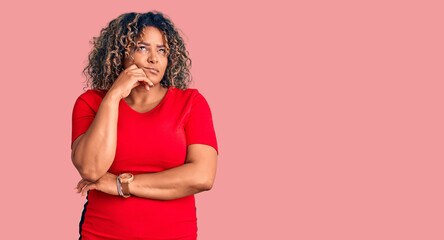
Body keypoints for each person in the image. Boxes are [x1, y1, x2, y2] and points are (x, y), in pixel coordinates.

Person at [70, 11, 218, 240]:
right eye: (142, 48)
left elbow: (202, 176)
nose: (154, 58)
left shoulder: (191, 103)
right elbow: (91, 169)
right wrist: (114, 96)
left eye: (162, 50)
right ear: (119, 53)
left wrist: (120, 185)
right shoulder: (90, 103)